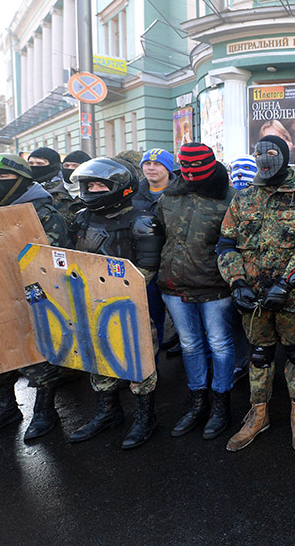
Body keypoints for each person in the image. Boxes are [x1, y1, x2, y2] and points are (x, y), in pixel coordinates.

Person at [217, 134, 295, 452]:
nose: (265, 158)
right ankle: (259, 414)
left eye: (272, 152)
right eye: (259, 152)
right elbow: (226, 243)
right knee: (260, 355)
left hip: (293, 297)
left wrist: (286, 283)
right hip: (253, 299)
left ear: (284, 156)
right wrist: (236, 282)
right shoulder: (244, 198)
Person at [0, 153, 70, 443]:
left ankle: (45, 412)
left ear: (21, 178)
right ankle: (4, 409)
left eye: (2, 177)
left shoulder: (43, 209)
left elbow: (56, 255)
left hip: (34, 291)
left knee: (40, 353)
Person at [69, 157, 165, 449]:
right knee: (98, 358)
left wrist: (112, 290)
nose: (94, 190)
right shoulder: (83, 217)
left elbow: (148, 269)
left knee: (139, 362)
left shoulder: (142, 221)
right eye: (90, 185)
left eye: (101, 185)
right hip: (90, 302)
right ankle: (108, 412)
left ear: (120, 187)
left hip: (129, 304)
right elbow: (74, 256)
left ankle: (145, 417)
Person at [158, 143, 237, 440]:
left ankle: (221, 403)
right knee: (190, 345)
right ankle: (198, 401)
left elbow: (236, 243)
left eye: (196, 170)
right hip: (174, 283)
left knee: (219, 344)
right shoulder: (170, 195)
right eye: (185, 170)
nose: (190, 175)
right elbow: (164, 235)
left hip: (214, 286)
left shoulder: (229, 198)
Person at [135, 148, 175, 353]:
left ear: (168, 168)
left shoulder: (179, 191)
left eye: (158, 164)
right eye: (147, 164)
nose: (151, 168)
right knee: (151, 318)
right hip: (145, 266)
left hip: (174, 265)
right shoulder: (133, 192)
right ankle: (153, 363)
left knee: (185, 322)